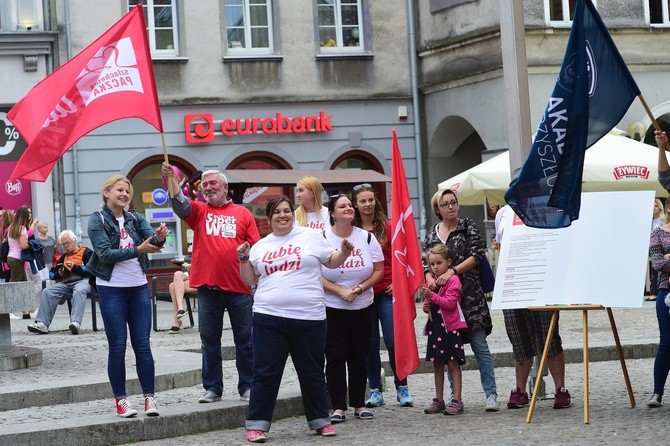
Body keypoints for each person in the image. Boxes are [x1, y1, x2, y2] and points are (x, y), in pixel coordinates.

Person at [237, 196, 354, 443]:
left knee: (311, 371)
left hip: (309, 317)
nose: (283, 215)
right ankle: (257, 424)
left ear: (293, 213)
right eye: (277, 212)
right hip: (268, 317)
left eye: (287, 210)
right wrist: (244, 259)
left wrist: (343, 253)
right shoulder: (260, 246)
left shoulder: (310, 237)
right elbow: (249, 280)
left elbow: (331, 262)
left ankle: (320, 421)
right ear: (268, 219)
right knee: (265, 373)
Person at [162, 162, 260, 404]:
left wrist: (248, 251)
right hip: (208, 288)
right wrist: (170, 180)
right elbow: (180, 205)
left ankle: (247, 385)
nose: (207, 188)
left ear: (225, 187)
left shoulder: (243, 213)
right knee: (209, 342)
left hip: (239, 287)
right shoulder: (200, 211)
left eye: (212, 183)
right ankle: (213, 388)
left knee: (245, 340)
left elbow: (257, 247)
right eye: (204, 185)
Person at [87, 175, 168, 418]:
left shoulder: (134, 217)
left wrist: (160, 236)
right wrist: (139, 249)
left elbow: (151, 239)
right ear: (107, 193)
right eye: (119, 190)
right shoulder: (97, 219)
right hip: (112, 289)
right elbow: (104, 253)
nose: (124, 194)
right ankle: (121, 400)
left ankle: (149, 397)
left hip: (138, 287)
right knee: (118, 346)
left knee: (143, 344)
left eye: (127, 191)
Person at [422, 189, 499, 412]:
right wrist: (431, 280)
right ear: (438, 209)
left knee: (479, 345)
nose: (450, 207)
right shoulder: (431, 234)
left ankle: (490, 393)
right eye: (445, 204)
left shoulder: (468, 226)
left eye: (453, 202)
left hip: (470, 297)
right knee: (448, 350)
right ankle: (452, 397)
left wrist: (452, 271)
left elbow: (476, 254)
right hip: (443, 302)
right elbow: (425, 264)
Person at [494, 203, 572, 410]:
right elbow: (501, 247)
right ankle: (520, 391)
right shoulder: (504, 213)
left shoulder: (548, 208)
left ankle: (560, 390)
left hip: (542, 281)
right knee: (519, 339)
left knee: (549, 337)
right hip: (513, 284)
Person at [322, 194, 384, 423]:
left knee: (359, 355)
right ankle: (338, 407)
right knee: (335, 355)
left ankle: (359, 403)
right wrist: (340, 291)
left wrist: (359, 288)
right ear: (332, 213)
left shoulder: (366, 238)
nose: (348, 208)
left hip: (362, 304)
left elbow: (378, 269)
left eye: (350, 205)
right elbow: (314, 273)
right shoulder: (322, 238)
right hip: (333, 305)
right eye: (342, 206)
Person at [351, 183, 413, 408]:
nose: (367, 204)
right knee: (369, 343)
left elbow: (401, 258)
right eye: (362, 201)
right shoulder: (353, 231)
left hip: (387, 291)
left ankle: (402, 386)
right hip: (363, 293)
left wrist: (398, 283)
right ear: (355, 205)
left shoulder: (387, 227)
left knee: (392, 339)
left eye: (370, 200)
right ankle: (375, 389)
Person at [421, 243, 467, 415]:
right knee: (437, 363)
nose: (435, 267)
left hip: (450, 328)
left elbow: (449, 303)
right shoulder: (433, 283)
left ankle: (457, 399)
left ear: (448, 262)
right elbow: (432, 306)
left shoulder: (453, 280)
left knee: (453, 363)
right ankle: (438, 399)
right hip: (436, 328)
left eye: (439, 263)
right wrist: (427, 305)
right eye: (432, 264)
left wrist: (432, 296)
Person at [27, 230, 93, 335]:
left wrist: (75, 268)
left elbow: (91, 269)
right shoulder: (63, 256)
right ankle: (42, 324)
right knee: (47, 291)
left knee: (79, 290)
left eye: (67, 243)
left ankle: (75, 322)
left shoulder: (86, 252)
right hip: (66, 283)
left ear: (74, 240)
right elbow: (52, 274)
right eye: (63, 244)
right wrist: (59, 273)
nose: (65, 246)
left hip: (82, 281)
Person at [647, 214, 670, 407]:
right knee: (666, 343)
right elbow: (658, 263)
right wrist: (664, 259)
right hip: (666, 292)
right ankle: (657, 392)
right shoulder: (658, 234)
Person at [168, 262, 196, 334]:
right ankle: (180, 309)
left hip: (204, 278)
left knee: (172, 286)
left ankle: (177, 321)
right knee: (177, 275)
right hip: (192, 274)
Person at [648, 199, 666, 301]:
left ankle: (656, 292)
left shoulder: (663, 219)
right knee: (653, 269)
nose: (653, 208)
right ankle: (654, 291)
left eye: (655, 206)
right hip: (652, 246)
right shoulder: (650, 220)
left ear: (660, 207)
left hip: (661, 246)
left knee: (658, 268)